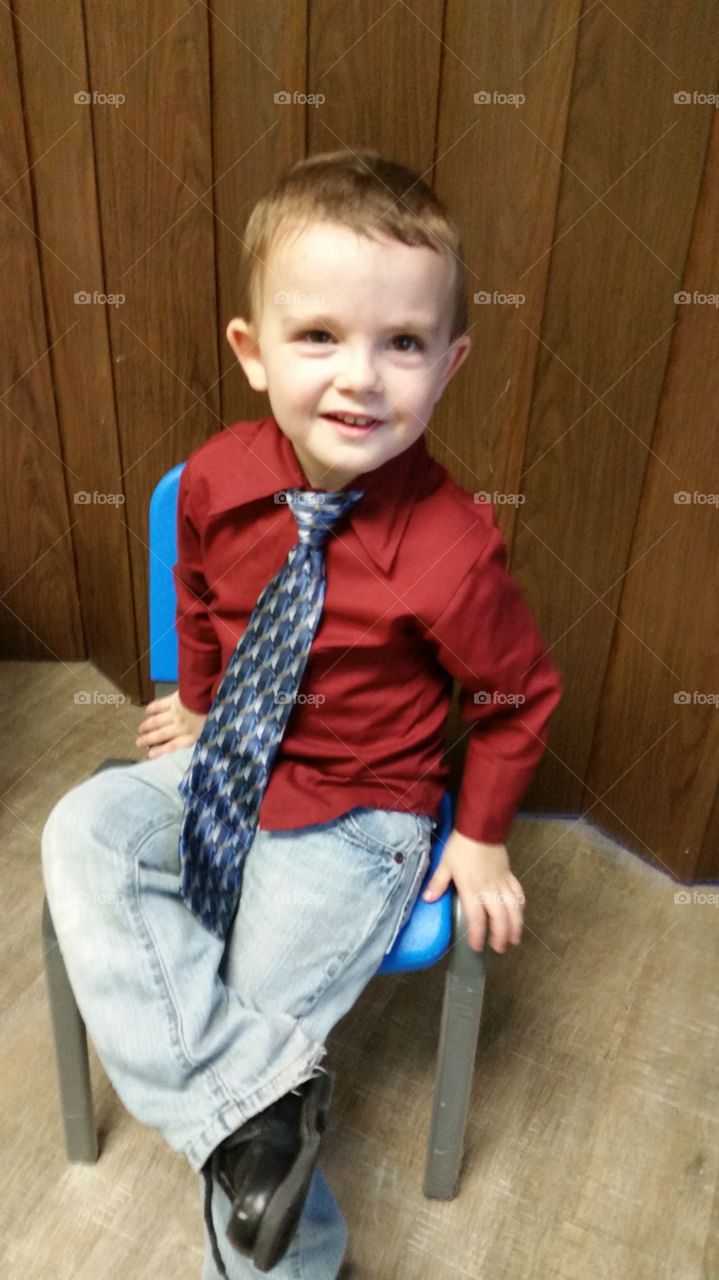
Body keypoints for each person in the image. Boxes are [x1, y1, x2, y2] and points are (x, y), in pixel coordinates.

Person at [41, 148, 563, 1279]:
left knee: (242, 1006)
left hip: (356, 815)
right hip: (230, 754)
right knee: (86, 828)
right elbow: (196, 590)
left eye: (402, 343)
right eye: (318, 335)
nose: (359, 378)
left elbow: (516, 693)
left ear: (450, 363)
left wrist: (479, 835)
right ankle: (253, 1122)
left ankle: (280, 1226)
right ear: (252, 350)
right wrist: (198, 699)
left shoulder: (451, 550)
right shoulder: (218, 478)